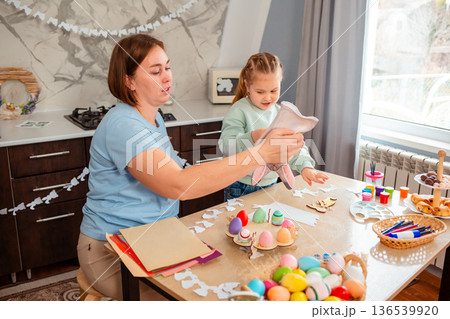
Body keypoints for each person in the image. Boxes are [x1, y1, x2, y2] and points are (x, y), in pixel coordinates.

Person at [77, 35, 305, 300]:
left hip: (153, 237)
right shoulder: (124, 126)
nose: (167, 77)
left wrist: (248, 158)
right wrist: (258, 154)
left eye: (167, 67)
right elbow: (178, 185)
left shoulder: (152, 118)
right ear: (128, 81)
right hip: (112, 249)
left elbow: (180, 170)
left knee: (225, 277)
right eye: (155, 71)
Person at [219, 52, 328, 200]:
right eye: (260, 91)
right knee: (240, 223)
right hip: (240, 185)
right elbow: (227, 147)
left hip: (271, 183)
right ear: (247, 85)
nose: (268, 97)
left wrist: (306, 167)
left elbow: (293, 146)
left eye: (274, 90)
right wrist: (253, 136)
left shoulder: (281, 113)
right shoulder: (239, 110)